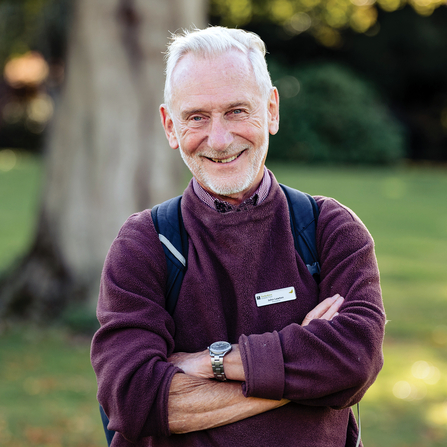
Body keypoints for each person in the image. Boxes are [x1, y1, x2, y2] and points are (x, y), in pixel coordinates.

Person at [91, 26, 386, 447]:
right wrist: (306, 374)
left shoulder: (328, 228)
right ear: (170, 127)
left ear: (271, 110)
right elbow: (131, 399)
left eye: (236, 111)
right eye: (196, 117)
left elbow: (355, 360)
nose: (219, 139)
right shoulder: (144, 243)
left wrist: (207, 363)